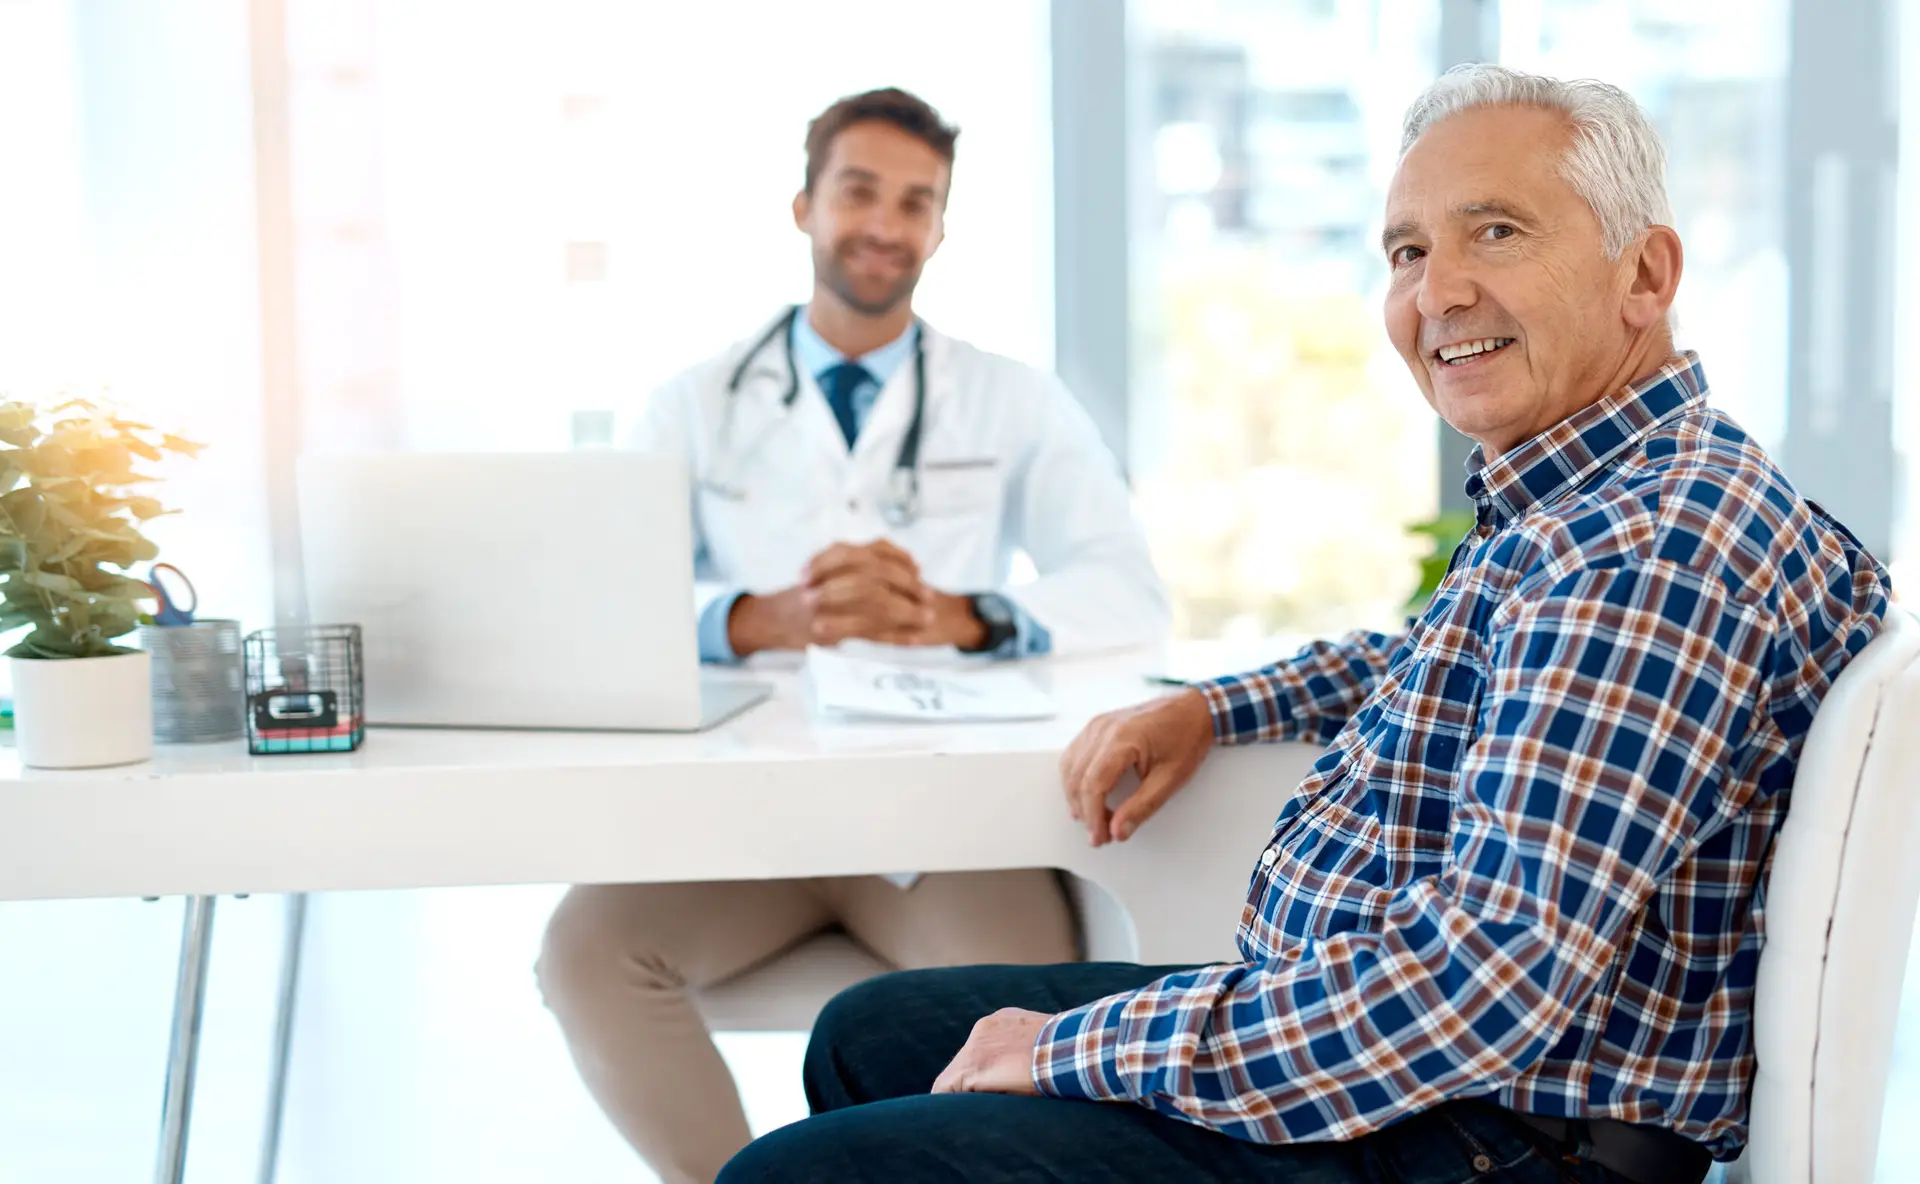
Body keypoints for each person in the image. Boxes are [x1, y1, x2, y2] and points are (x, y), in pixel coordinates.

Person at [717, 66, 1895, 1184]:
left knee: (791, 1166)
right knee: (873, 1029)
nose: (1438, 295)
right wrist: (1219, 702)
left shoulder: (1647, 551)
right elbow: (1447, 664)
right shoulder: (1600, 492)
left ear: (1646, 276)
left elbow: (1481, 983)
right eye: (1409, 250)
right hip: (1429, 1073)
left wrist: (1080, 1048)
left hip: (1484, 1132)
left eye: (1497, 231)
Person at [535, 87, 1169, 1184]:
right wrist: (748, 619)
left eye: (916, 201)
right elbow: (595, 601)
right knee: (585, 954)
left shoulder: (1009, 399)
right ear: (804, 205)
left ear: (939, 227)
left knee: (1026, 1010)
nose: (886, 223)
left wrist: (965, 615)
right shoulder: (694, 402)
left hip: (947, 829)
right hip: (747, 823)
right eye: (860, 190)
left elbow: (1129, 593)